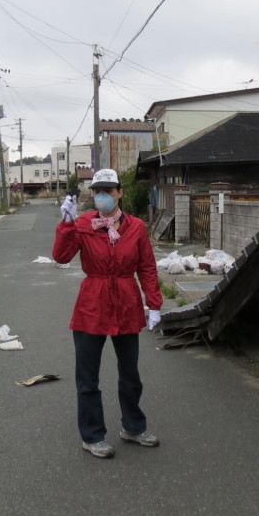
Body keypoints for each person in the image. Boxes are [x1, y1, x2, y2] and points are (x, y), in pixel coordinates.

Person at [52, 168, 163, 458]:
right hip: (92, 305)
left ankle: (133, 427)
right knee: (88, 378)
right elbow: (61, 257)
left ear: (120, 193)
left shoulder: (136, 227)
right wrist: (66, 224)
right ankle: (92, 435)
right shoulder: (83, 223)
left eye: (108, 190)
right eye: (97, 191)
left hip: (126, 304)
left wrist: (154, 304)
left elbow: (147, 267)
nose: (102, 196)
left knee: (130, 375)